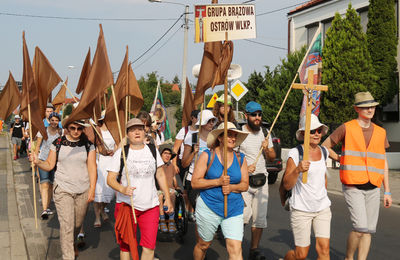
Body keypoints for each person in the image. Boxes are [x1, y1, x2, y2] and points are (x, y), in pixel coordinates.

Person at [322, 91, 392, 260]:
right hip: (353, 185)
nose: (370, 110)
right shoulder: (347, 127)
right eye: (365, 107)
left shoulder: (381, 132)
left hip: (374, 186)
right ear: (356, 109)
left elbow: (383, 161)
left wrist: (387, 191)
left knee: (368, 230)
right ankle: (348, 257)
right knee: (360, 227)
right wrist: (340, 158)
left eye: (372, 106)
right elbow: (325, 146)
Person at [107, 118, 173, 260]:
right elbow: (110, 179)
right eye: (132, 130)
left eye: (140, 129)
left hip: (151, 206)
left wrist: (168, 198)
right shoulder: (121, 153)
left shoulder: (152, 150)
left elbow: (160, 175)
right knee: (126, 245)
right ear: (127, 134)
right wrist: (122, 189)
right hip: (126, 206)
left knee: (149, 246)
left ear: (145, 132)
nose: (136, 132)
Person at [32, 119, 96, 260]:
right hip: (63, 189)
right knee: (67, 225)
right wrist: (38, 162)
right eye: (72, 128)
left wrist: (92, 189)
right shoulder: (58, 143)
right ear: (67, 128)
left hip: (83, 189)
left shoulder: (88, 145)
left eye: (79, 129)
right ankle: (68, 256)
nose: (76, 131)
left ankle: (71, 243)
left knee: (77, 224)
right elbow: (49, 165)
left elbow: (92, 168)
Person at [192, 122, 249, 260]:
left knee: (235, 249)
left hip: (234, 208)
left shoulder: (240, 158)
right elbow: (195, 182)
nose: (233, 138)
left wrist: (232, 187)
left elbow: (245, 185)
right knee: (203, 245)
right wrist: (218, 181)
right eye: (229, 135)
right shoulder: (207, 155)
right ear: (219, 138)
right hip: (208, 206)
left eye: (234, 136)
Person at [283, 114, 331, 260]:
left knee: (324, 249)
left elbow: (323, 178)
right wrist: (297, 170)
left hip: (322, 208)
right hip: (301, 209)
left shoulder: (324, 152)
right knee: (301, 255)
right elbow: (286, 184)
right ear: (303, 133)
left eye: (319, 130)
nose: (317, 134)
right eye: (312, 131)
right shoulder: (295, 153)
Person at [239, 101, 276, 260]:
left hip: (262, 181)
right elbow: (232, 157)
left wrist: (267, 148)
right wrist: (244, 169)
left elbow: (272, 158)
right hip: (245, 182)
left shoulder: (265, 133)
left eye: (259, 114)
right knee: (244, 217)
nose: (257, 117)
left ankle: (254, 249)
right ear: (246, 115)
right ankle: (237, 247)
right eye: (254, 114)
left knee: (260, 219)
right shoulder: (239, 133)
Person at [181, 109, 217, 221]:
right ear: (202, 123)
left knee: (208, 213)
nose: (211, 123)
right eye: (208, 121)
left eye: (212, 121)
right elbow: (184, 163)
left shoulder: (216, 140)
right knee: (201, 212)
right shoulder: (191, 138)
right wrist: (193, 153)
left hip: (211, 179)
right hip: (193, 179)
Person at [34, 112, 62, 220]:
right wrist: (35, 159)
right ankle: (44, 209)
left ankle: (48, 206)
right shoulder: (43, 131)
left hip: (55, 161)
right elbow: (38, 145)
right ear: (49, 121)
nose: (54, 122)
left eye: (56, 120)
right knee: (44, 183)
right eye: (52, 120)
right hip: (43, 160)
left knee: (51, 184)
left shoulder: (60, 132)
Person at [93, 113, 116, 228]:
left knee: (110, 191)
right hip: (100, 161)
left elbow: (118, 143)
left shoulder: (114, 130)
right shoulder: (96, 129)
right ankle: (97, 217)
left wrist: (114, 152)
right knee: (99, 190)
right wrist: (100, 151)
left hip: (112, 161)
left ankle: (102, 209)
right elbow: (94, 146)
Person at [158, 143, 180, 233]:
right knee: (159, 196)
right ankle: (162, 219)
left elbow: (174, 179)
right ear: (161, 154)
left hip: (170, 189)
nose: (167, 155)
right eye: (165, 153)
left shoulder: (171, 166)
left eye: (169, 154)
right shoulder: (158, 165)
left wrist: (177, 186)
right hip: (159, 189)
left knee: (172, 193)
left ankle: (171, 219)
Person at [172, 109, 199, 179]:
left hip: (196, 163)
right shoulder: (184, 130)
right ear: (192, 118)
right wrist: (174, 164)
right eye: (197, 118)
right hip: (183, 162)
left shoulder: (202, 131)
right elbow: (175, 148)